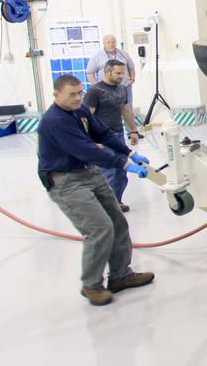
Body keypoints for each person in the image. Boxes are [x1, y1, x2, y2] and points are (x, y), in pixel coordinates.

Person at [38, 74, 154, 306]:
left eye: (80, 92)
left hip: (88, 172)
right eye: (72, 94)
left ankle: (121, 275)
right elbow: (87, 150)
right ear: (56, 95)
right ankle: (91, 285)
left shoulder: (79, 111)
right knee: (100, 228)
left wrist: (130, 153)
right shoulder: (55, 121)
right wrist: (124, 164)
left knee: (117, 221)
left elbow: (102, 134)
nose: (78, 98)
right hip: (66, 180)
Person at [84, 59, 142, 212]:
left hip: (118, 136)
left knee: (121, 172)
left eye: (123, 73)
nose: (121, 76)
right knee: (107, 172)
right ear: (107, 71)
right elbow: (86, 118)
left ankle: (116, 201)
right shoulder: (94, 92)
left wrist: (134, 130)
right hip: (101, 139)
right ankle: (106, 206)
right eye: (118, 73)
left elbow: (126, 110)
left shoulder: (121, 89)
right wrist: (89, 141)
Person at [86, 34, 139, 112]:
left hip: (125, 86)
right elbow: (90, 72)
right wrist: (96, 85)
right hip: (106, 89)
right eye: (109, 42)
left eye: (113, 42)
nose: (111, 44)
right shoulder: (97, 56)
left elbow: (131, 67)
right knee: (109, 111)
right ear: (104, 43)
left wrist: (132, 79)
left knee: (128, 110)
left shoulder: (123, 53)